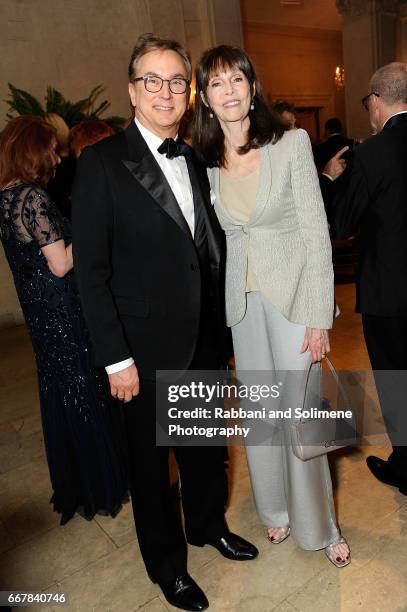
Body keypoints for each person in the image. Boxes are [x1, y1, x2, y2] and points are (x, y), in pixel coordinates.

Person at [72, 34, 258, 612]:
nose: (166, 91)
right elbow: (91, 274)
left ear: (188, 91)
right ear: (132, 91)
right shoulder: (101, 164)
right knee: (152, 469)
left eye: (177, 81)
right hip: (141, 349)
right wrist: (115, 357)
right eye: (152, 80)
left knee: (205, 448)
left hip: (203, 334)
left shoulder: (198, 155)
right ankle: (167, 565)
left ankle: (208, 527)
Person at [192, 44, 350, 568]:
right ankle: (275, 509)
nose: (229, 90)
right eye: (216, 83)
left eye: (237, 79)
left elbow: (314, 232)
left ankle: (321, 526)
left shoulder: (290, 143)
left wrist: (317, 315)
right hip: (242, 301)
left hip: (293, 295)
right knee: (260, 411)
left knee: (300, 410)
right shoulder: (204, 158)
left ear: (251, 86)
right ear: (206, 98)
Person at [0, 116, 128, 525]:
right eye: (52, 150)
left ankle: (77, 482)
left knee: (62, 391)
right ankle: (102, 484)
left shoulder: (5, 196)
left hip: (39, 314)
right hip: (62, 309)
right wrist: (93, 230)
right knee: (83, 390)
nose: (57, 157)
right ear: (33, 152)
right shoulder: (32, 197)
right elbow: (60, 263)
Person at [323, 62, 407, 495]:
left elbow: (340, 224)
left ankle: (406, 467)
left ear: (376, 101)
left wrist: (333, 181)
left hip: (388, 293)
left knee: (396, 380)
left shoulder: (370, 155)